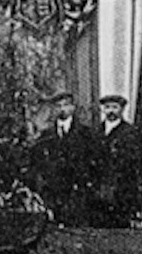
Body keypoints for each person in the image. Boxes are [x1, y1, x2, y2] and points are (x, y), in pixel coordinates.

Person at [28, 91, 100, 227]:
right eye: (58, 106)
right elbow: (38, 163)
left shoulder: (86, 134)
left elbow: (93, 162)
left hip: (78, 192)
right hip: (54, 192)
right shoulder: (46, 136)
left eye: (66, 105)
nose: (62, 109)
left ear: (73, 107)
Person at [90, 95, 142, 229]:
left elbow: (131, 161)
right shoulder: (95, 132)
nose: (111, 111)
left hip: (120, 189)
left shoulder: (130, 132)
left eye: (114, 107)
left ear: (122, 109)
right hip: (98, 189)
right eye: (107, 107)